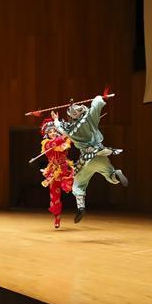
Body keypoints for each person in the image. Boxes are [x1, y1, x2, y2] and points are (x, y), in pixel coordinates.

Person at [52, 92, 128, 223]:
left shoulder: (70, 131)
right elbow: (97, 104)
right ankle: (115, 174)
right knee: (109, 174)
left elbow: (59, 128)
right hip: (100, 154)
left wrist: (55, 120)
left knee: (78, 183)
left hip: (86, 159)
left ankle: (81, 207)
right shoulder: (89, 118)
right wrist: (99, 97)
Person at [38, 119, 75, 229]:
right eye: (50, 132)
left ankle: (81, 205)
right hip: (53, 173)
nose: (53, 133)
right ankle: (57, 218)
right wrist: (65, 135)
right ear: (47, 134)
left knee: (70, 187)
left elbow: (66, 139)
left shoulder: (64, 141)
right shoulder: (46, 144)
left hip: (65, 170)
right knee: (55, 197)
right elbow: (56, 142)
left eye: (54, 131)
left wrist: (70, 131)